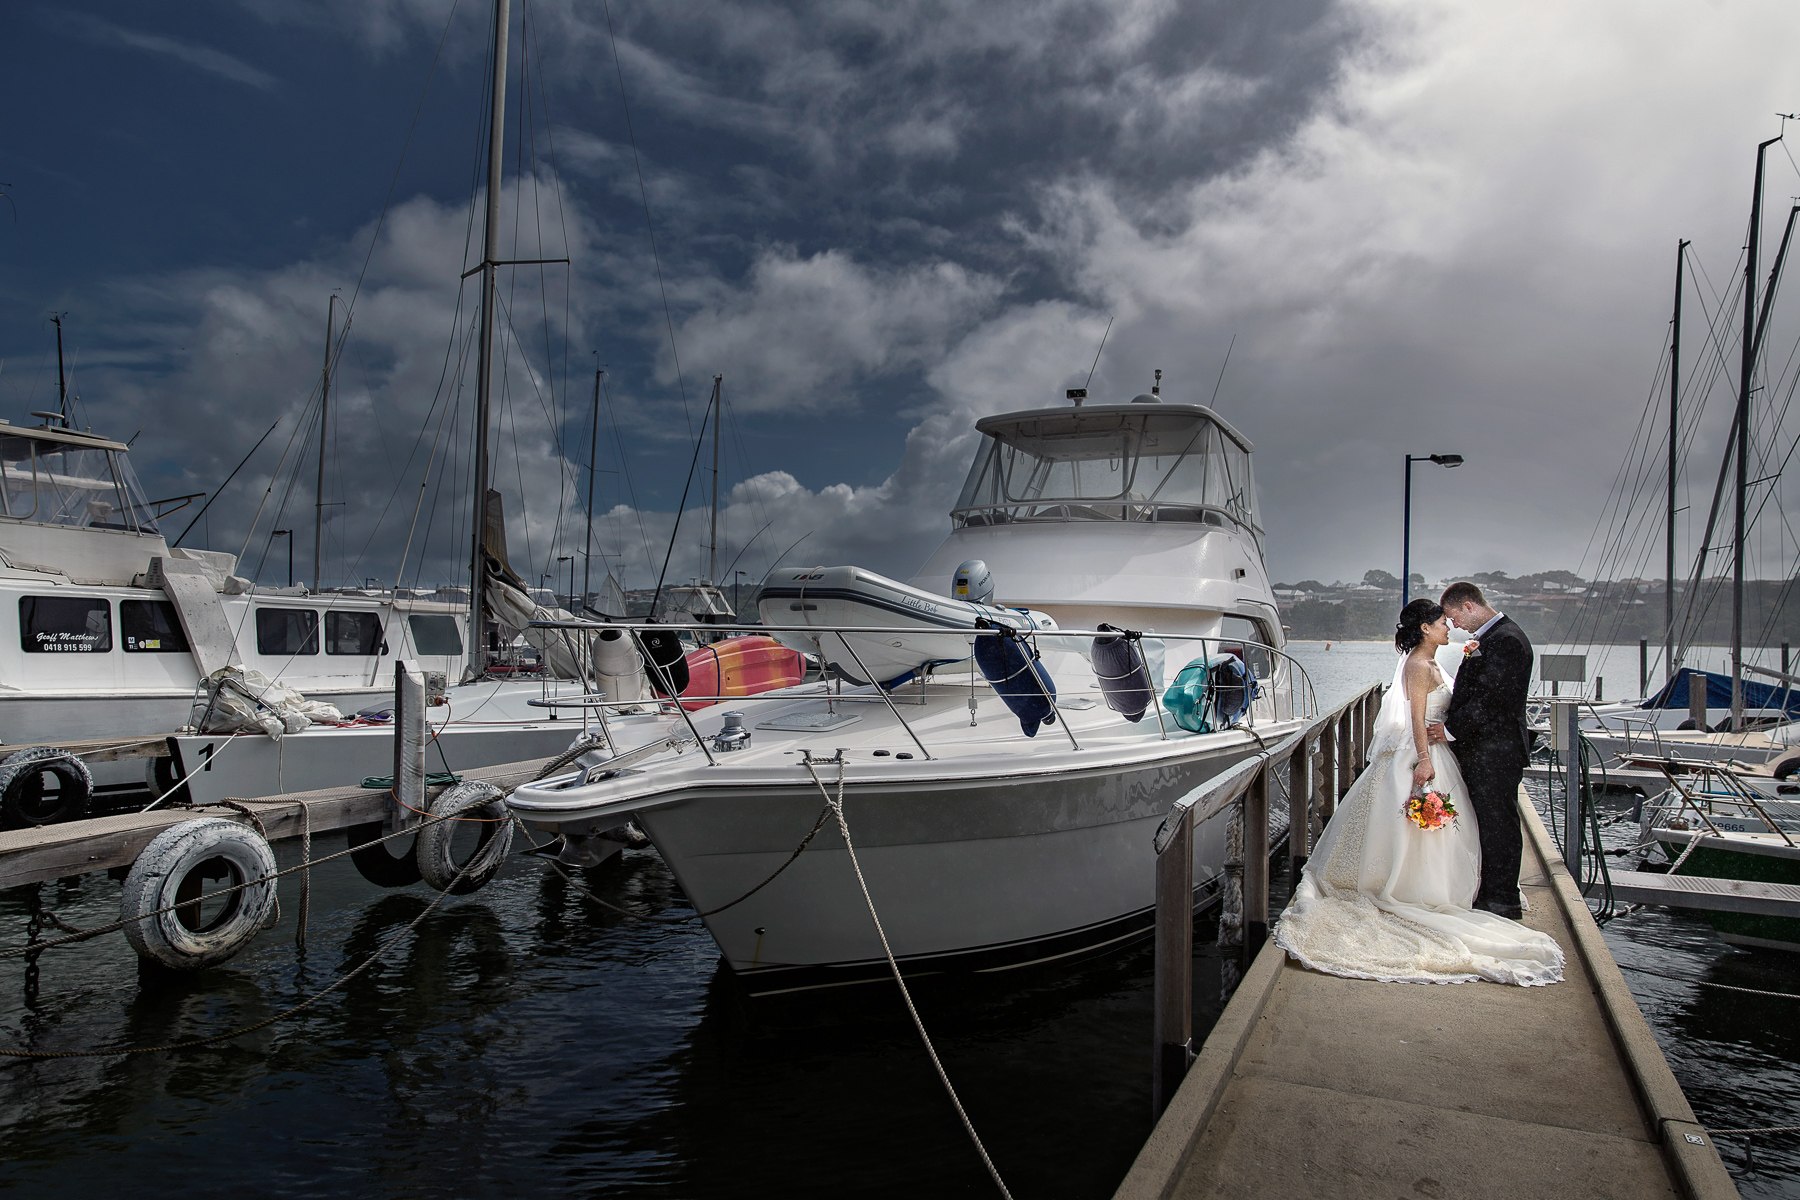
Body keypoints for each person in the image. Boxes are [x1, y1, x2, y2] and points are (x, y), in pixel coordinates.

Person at [1273, 599, 1562, 986]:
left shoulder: (1433, 662)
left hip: (1442, 751)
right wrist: (1424, 760)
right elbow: (1415, 719)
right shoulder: (1418, 666)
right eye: (1444, 622)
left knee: (1442, 830)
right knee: (1415, 826)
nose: (1450, 628)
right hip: (1424, 754)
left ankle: (1441, 887)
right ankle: (1412, 888)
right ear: (1426, 628)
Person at [1430, 581, 1535, 918]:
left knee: (1499, 824)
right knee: (1488, 822)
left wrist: (1449, 730)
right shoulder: (1495, 637)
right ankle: (1491, 890)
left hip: (1496, 751)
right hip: (1486, 749)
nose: (1454, 625)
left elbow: (1492, 699)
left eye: (1453, 616)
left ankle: (1503, 899)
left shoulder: (1506, 640)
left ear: (1469, 607)